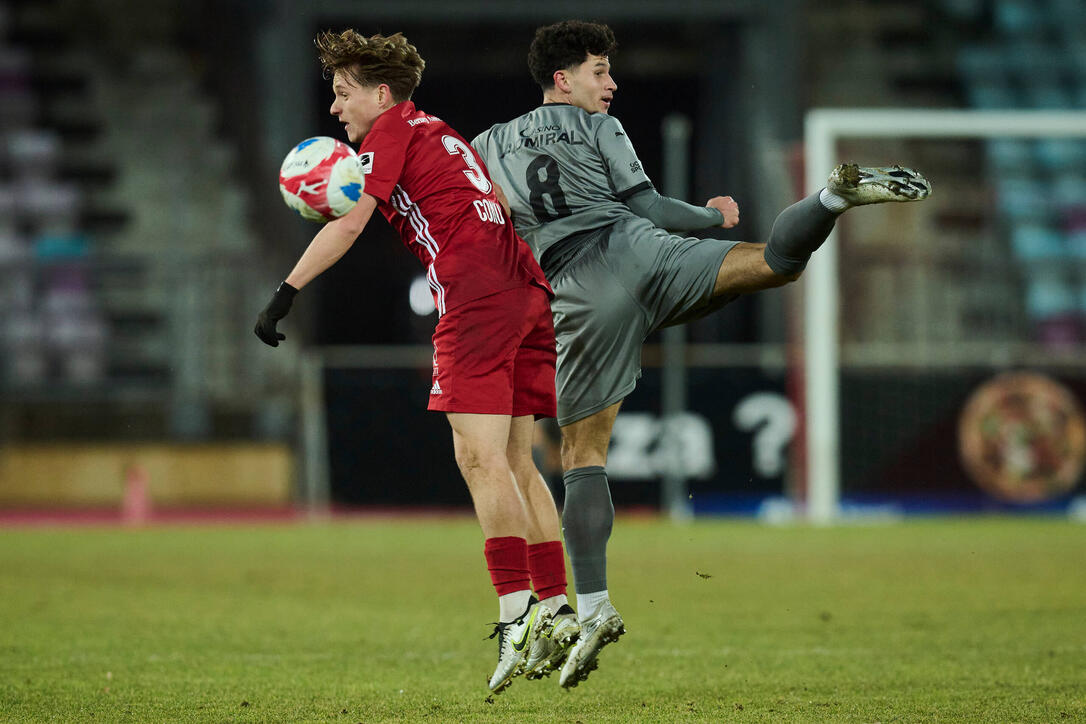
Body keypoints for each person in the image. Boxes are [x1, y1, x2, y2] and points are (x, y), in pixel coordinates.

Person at [471, 20, 931, 689]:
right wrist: (713, 216)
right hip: (645, 251)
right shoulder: (600, 128)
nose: (612, 83)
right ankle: (831, 197)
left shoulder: (486, 146)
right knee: (773, 263)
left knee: (581, 456)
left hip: (581, 290)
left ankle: (592, 607)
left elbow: (482, 232)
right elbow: (654, 208)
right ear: (563, 79)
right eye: (600, 71)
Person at [253, 29, 581, 694]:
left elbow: (349, 222)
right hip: (524, 288)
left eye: (343, 93)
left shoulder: (391, 133)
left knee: (479, 459)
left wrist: (285, 293)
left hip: (478, 297)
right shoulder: (441, 132)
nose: (335, 107)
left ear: (382, 94)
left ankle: (516, 616)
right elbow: (496, 204)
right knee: (517, 460)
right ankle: (556, 609)